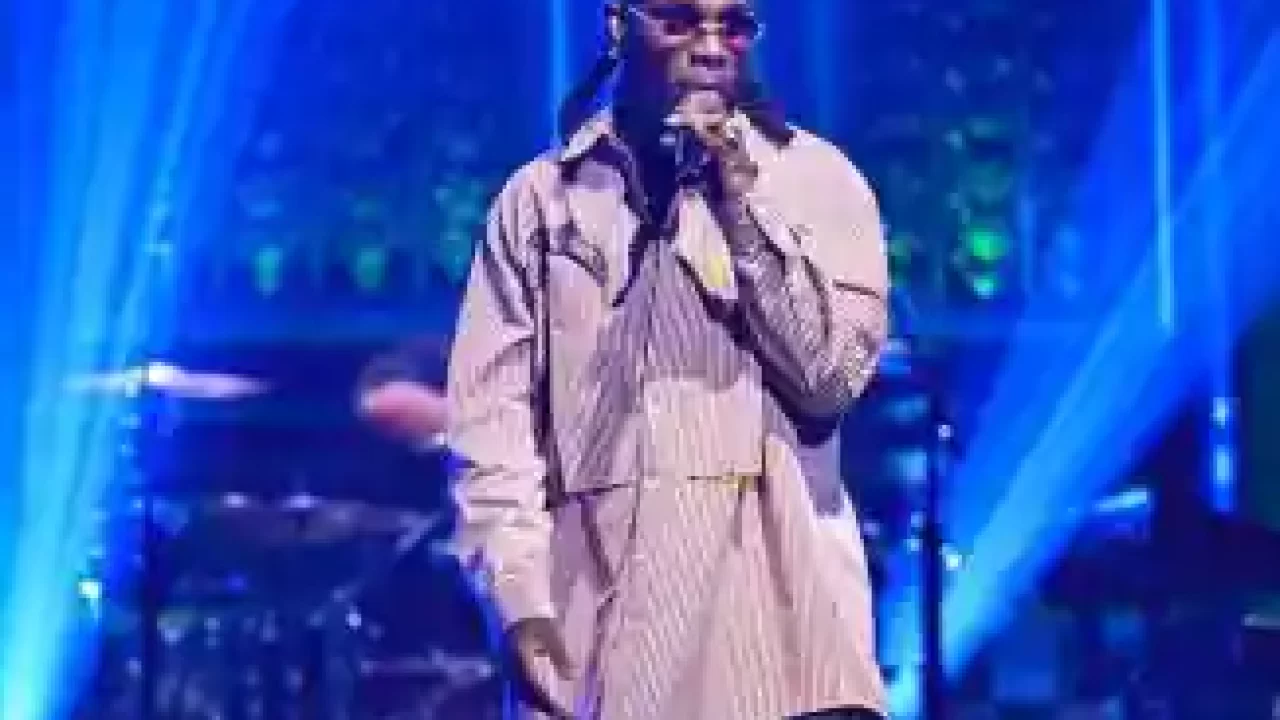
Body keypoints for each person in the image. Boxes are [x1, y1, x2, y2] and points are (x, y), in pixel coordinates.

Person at [441, 1, 891, 718]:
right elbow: (491, 423)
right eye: (680, 21)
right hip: (592, 652)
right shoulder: (539, 202)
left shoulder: (816, 182)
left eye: (733, 25)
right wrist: (518, 596)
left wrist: (740, 202)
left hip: (783, 653)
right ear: (619, 24)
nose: (711, 48)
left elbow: (829, 379)